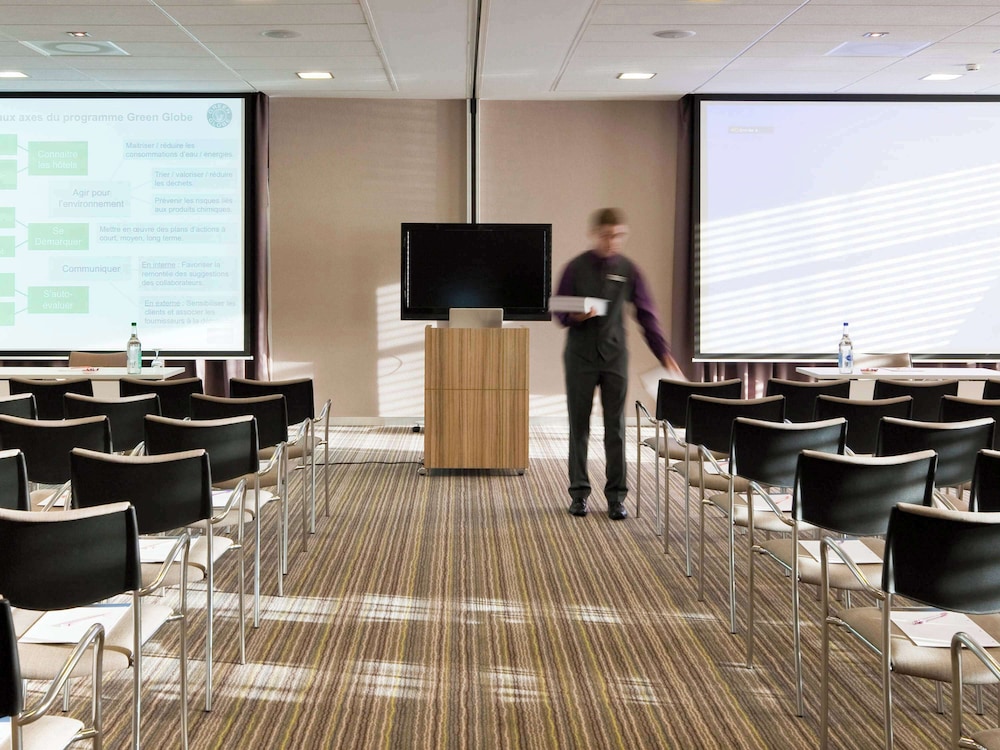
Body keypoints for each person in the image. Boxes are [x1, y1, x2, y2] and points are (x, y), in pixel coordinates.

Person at [554, 208, 685, 520]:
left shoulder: (629, 269)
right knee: (579, 426)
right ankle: (579, 494)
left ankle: (616, 497)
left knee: (615, 428)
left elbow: (647, 315)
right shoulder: (574, 267)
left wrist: (664, 354)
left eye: (618, 236)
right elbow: (558, 311)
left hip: (614, 357)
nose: (612, 241)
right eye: (606, 235)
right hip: (579, 357)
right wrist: (577, 315)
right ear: (595, 234)